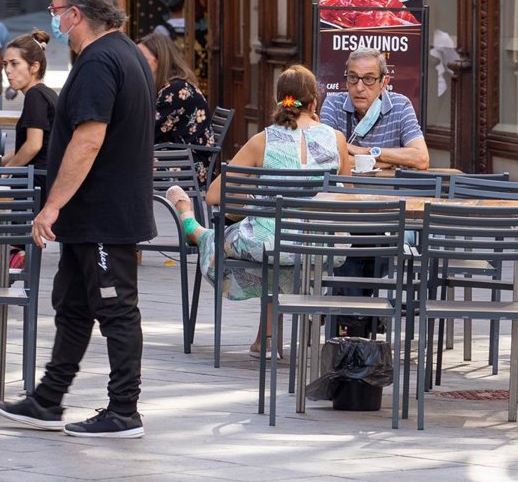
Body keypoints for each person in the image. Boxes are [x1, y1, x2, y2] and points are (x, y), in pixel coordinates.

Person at [0, 0, 155, 438]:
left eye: (56, 10)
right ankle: (48, 399)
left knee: (114, 308)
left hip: (103, 213)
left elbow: (88, 139)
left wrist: (51, 206)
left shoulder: (100, 61)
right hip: (94, 214)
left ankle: (124, 409)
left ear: (76, 14)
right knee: (73, 305)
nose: (54, 20)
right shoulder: (123, 52)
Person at [165, 64, 350, 357]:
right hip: (322, 245)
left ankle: (190, 224)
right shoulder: (336, 139)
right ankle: (266, 339)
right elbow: (345, 194)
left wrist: (257, 201)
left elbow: (214, 195)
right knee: (281, 246)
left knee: (235, 237)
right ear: (314, 102)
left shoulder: (263, 140)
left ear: (279, 100)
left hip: (270, 243)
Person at [319, 47, 429, 171]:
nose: (359, 88)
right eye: (353, 77)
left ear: (384, 82)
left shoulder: (400, 106)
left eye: (369, 79)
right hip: (345, 184)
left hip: (386, 184)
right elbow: (324, 158)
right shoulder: (333, 104)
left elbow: (421, 158)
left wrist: (368, 151)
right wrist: (380, 162)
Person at [138, 32, 213, 186]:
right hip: (178, 157)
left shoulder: (176, 90)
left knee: (124, 164)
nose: (137, 64)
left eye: (143, 59)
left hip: (189, 166)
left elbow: (147, 131)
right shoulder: (170, 86)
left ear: (161, 60)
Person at [2, 30, 58, 203]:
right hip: (43, 179)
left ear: (34, 67)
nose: (7, 70)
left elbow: (33, 145)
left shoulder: (35, 95)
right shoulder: (46, 93)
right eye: (5, 64)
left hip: (36, 183)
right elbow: (24, 146)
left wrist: (6, 171)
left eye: (14, 64)